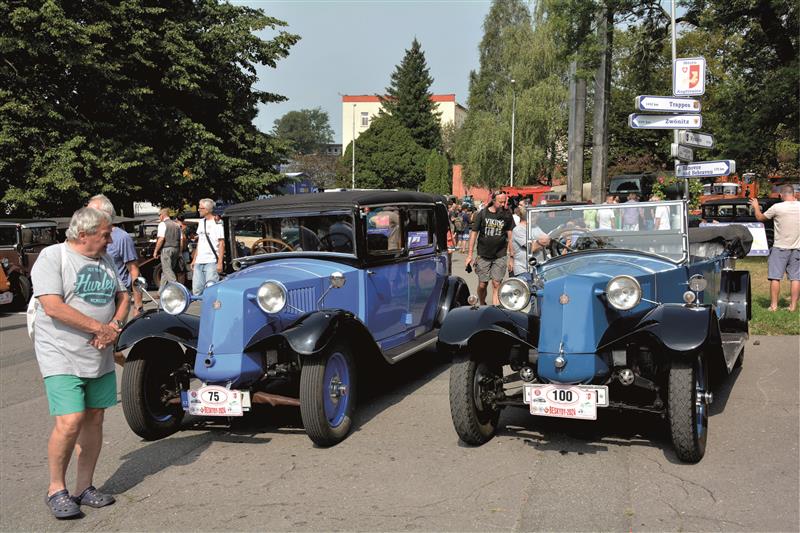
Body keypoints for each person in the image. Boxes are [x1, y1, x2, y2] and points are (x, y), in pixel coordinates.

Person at [31, 207, 128, 519]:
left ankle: (84, 487)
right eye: (106, 234)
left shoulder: (106, 260)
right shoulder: (53, 257)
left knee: (95, 418)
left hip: (99, 353)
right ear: (83, 234)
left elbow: (123, 297)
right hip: (61, 352)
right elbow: (53, 307)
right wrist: (99, 328)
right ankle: (55, 489)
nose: (110, 240)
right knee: (71, 420)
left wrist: (113, 326)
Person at [87, 195, 143, 318]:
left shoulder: (122, 237)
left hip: (118, 300)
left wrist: (138, 305)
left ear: (106, 214)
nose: (87, 215)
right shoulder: (87, 237)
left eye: (92, 212)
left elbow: (134, 271)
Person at [751, 185, 800, 311]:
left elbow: (760, 218)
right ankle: (793, 306)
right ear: (794, 194)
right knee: (795, 278)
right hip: (797, 248)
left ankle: (773, 306)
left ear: (781, 195)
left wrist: (756, 207)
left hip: (780, 247)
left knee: (775, 277)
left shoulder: (777, 207)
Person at [465, 191, 515, 305]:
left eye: (505, 202)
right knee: (483, 284)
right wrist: (469, 255)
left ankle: (494, 309)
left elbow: (510, 236)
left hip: (500, 255)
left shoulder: (507, 214)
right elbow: (474, 233)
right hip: (483, 255)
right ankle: (482, 303)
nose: (503, 204)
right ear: (493, 201)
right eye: (500, 202)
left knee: (496, 284)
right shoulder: (482, 214)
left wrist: (512, 257)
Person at [191, 198, 225, 295]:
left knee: (211, 290)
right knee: (197, 290)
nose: (198, 210)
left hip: (211, 261)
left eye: (200, 208)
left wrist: (220, 263)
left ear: (207, 210)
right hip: (199, 261)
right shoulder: (201, 222)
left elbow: (221, 243)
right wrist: (194, 259)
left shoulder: (218, 222)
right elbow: (200, 242)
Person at [152, 208, 184, 289]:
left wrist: (155, 251)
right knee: (166, 271)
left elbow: (161, 239)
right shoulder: (176, 225)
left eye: (159, 215)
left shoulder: (162, 224)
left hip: (166, 249)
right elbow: (181, 240)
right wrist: (180, 252)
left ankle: (177, 288)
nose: (159, 217)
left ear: (162, 215)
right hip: (176, 249)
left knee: (167, 270)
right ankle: (161, 291)